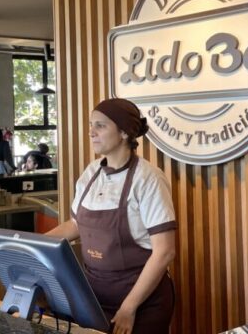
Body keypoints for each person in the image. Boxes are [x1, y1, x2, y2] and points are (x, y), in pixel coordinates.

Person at [47, 98, 176, 334]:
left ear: (124, 132)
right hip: (95, 297)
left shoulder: (148, 179)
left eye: (100, 125)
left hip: (141, 303)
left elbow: (164, 251)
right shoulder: (91, 173)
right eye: (90, 125)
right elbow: (76, 224)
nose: (91, 132)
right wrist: (33, 244)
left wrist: (129, 307)